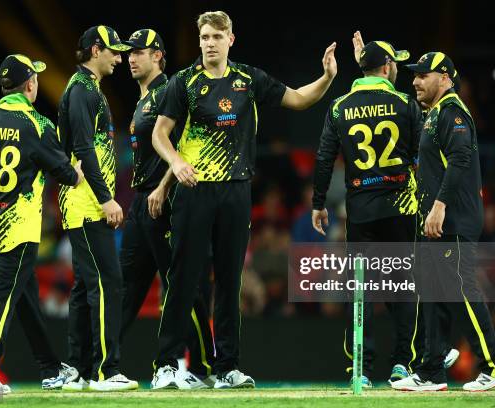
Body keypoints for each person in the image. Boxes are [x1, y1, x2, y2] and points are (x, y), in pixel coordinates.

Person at [151, 10, 337, 389]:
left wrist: (329, 76)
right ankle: (166, 365)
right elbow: (160, 134)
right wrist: (177, 162)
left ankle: (227, 369)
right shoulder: (184, 82)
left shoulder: (248, 80)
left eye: (216, 37)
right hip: (193, 190)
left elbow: (300, 100)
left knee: (230, 281)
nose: (209, 43)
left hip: (235, 191)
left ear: (230, 40)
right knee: (183, 278)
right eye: (204, 37)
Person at [0, 54, 83, 393]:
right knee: (4, 298)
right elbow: (65, 173)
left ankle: (50, 369)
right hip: (19, 226)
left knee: (24, 299)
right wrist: (79, 171)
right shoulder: (38, 125)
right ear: (30, 85)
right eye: (35, 77)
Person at [391, 52, 495, 391]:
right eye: (414, 75)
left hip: (453, 218)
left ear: (444, 78)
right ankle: (431, 371)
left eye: (423, 75)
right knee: (432, 292)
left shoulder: (453, 112)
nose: (415, 81)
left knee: (462, 288)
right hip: (437, 219)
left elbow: (460, 158)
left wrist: (440, 206)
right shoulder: (434, 114)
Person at [312, 34, 424, 387]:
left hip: (360, 209)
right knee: (402, 287)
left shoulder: (339, 106)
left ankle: (360, 365)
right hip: (402, 206)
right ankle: (402, 364)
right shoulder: (407, 103)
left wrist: (318, 203)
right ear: (389, 67)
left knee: (361, 288)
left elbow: (324, 158)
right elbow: (424, 158)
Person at [119, 28, 216, 389]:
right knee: (126, 285)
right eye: (128, 52)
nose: (131, 57)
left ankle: (203, 365)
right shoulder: (144, 98)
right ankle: (101, 364)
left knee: (180, 284)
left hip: (166, 200)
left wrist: (163, 188)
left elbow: (184, 150)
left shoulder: (169, 91)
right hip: (140, 203)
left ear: (158, 55)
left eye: (139, 52)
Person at [56, 25, 137, 392]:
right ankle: (105, 371)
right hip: (86, 204)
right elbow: (85, 150)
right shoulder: (81, 91)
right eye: (113, 52)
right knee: (107, 283)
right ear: (94, 50)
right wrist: (106, 198)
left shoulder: (89, 90)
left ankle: (77, 368)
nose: (119, 58)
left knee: (85, 287)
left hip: (85, 202)